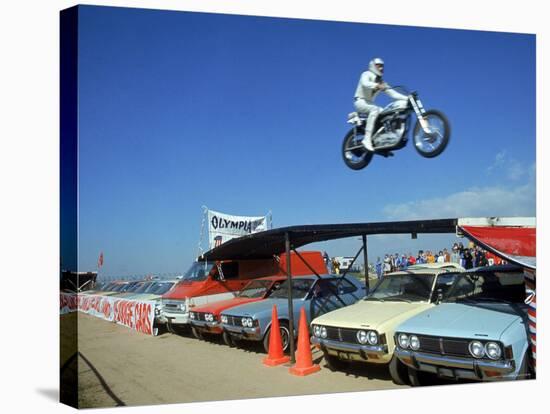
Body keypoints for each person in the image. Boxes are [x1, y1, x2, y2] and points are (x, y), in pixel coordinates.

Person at [353, 58, 408, 151]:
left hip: (370, 103)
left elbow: (393, 93)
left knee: (386, 114)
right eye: (379, 66)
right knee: (375, 110)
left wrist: (407, 98)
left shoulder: (381, 82)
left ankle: (384, 140)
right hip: (360, 101)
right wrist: (376, 86)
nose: (381, 68)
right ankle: (366, 139)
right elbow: (365, 83)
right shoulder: (366, 74)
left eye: (383, 66)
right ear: (373, 66)